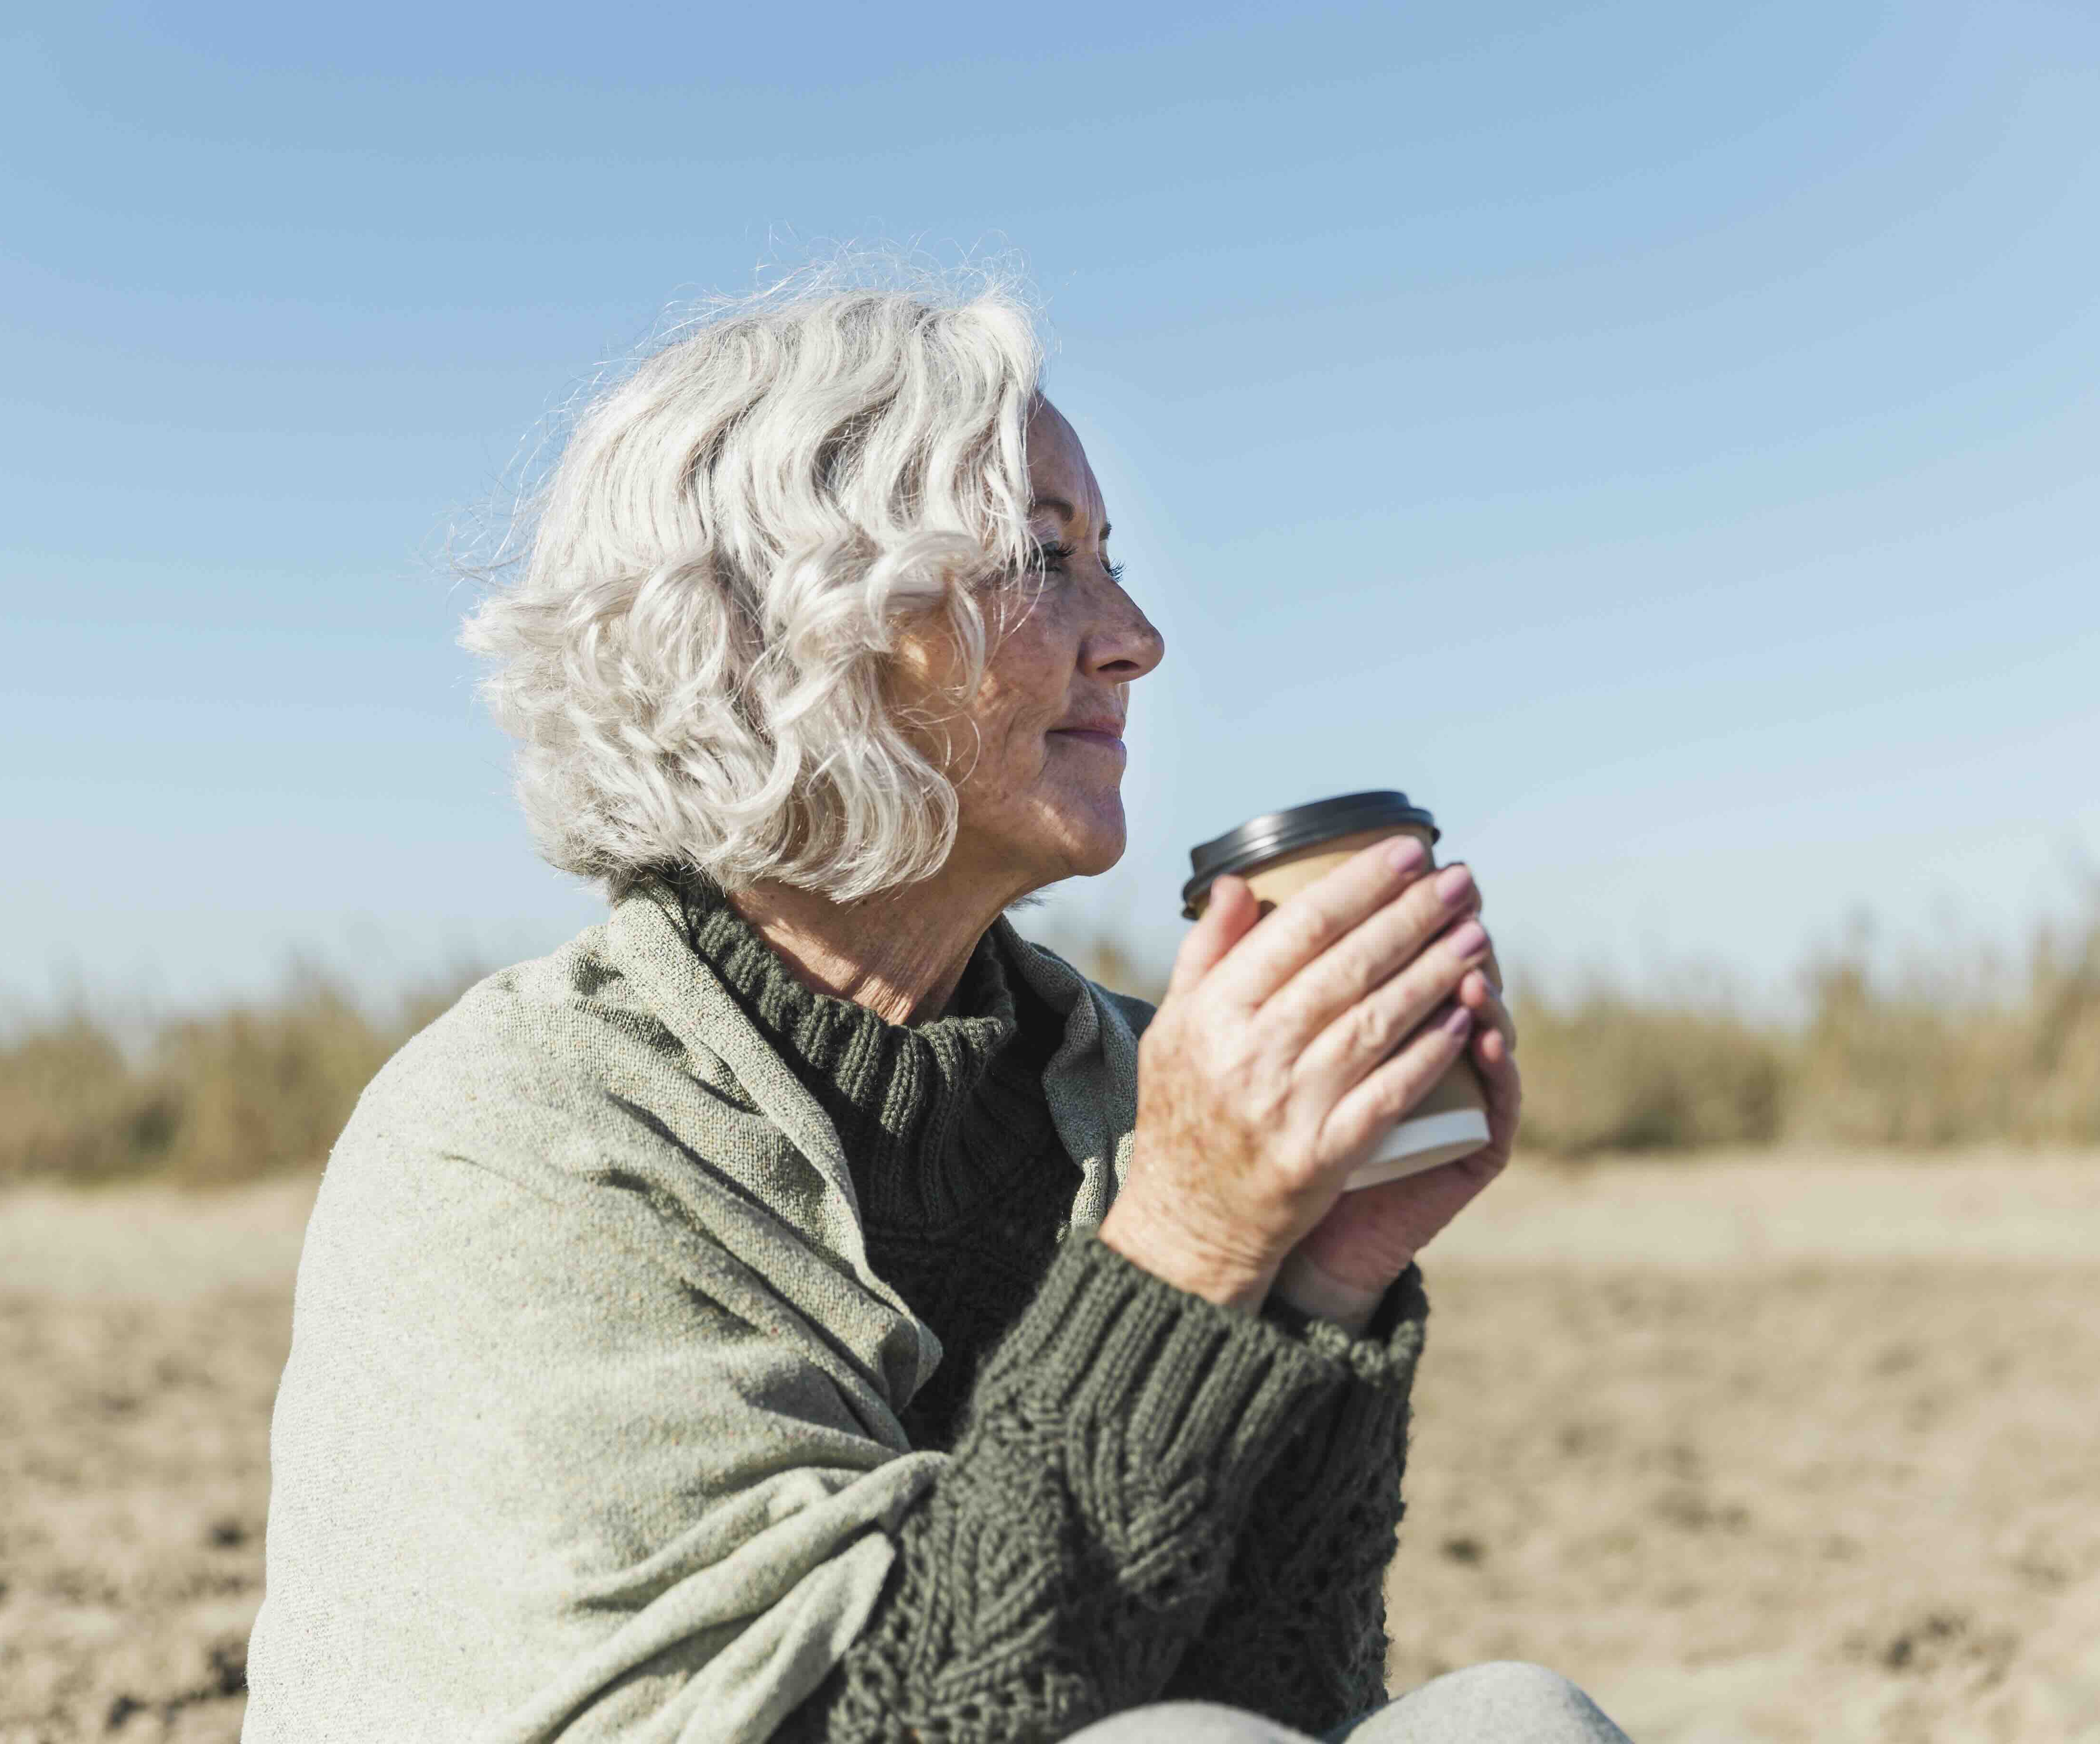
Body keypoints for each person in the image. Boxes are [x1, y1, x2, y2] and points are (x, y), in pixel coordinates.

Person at [242, 272, 1636, 1744]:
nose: (1136, 636)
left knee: (1507, 1719)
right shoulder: (525, 1135)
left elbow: (1277, 1684)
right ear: (786, 632)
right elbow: (866, 1721)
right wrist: (1186, 1245)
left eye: (1110, 556)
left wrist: (1316, 1286)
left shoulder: (1115, 1085)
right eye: (1042, 560)